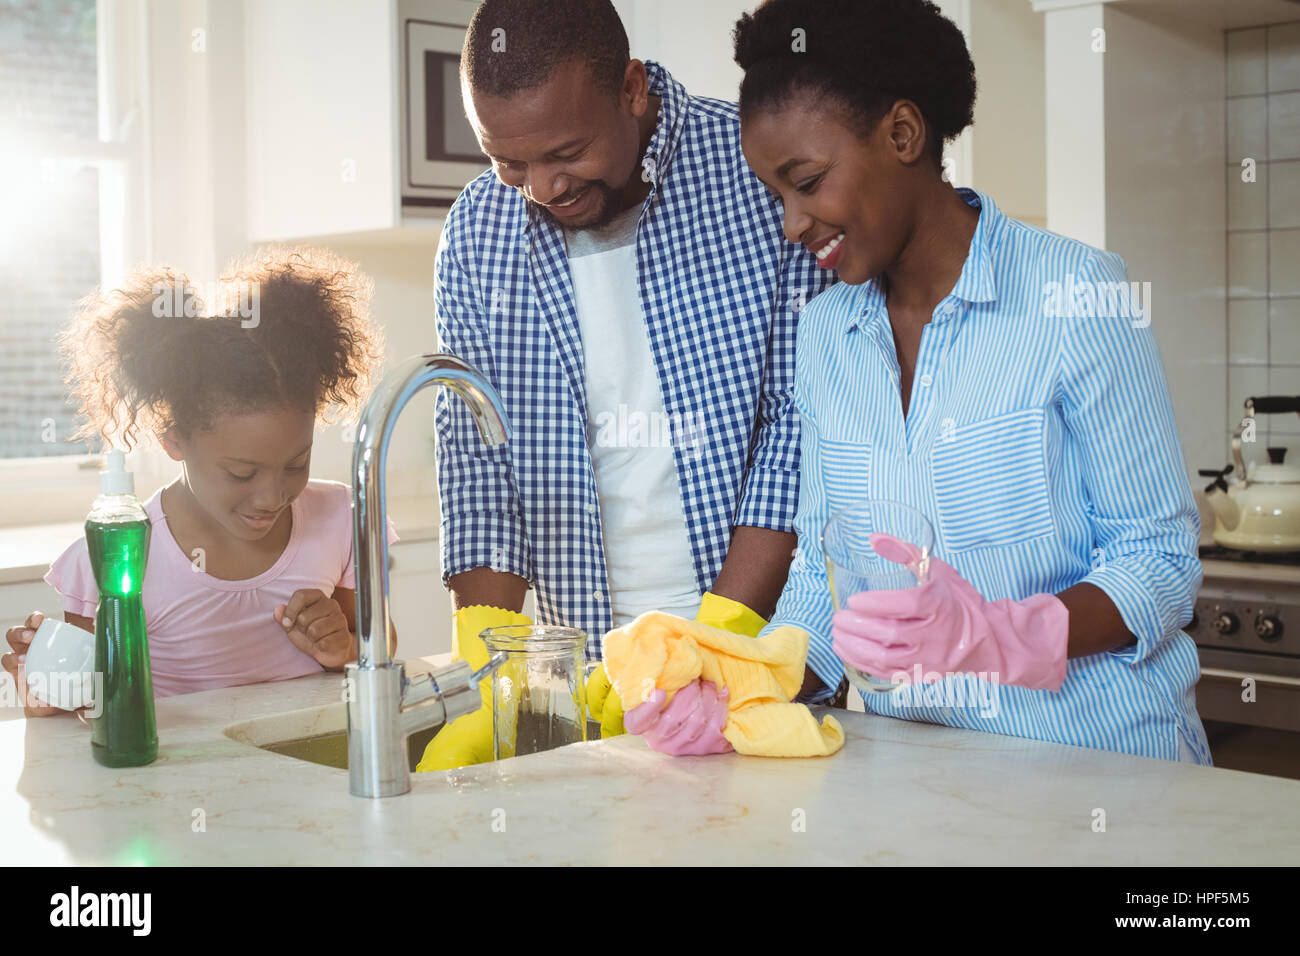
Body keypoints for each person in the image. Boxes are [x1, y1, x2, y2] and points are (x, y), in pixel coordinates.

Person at [624, 0, 1211, 765]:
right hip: (922, 779)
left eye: (807, 182)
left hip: (1104, 772)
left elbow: (1160, 562)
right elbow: (821, 582)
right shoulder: (827, 333)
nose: (792, 224)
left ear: (903, 134)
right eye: (776, 196)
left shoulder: (1077, 296)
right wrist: (741, 690)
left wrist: (1002, 636)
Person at [418, 0, 835, 770]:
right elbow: (476, 456)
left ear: (633, 88)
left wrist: (719, 639)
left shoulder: (753, 170)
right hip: (581, 689)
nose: (541, 186)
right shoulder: (479, 231)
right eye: (508, 162)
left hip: (758, 667)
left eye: (565, 152)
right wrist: (490, 673)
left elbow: (796, 424)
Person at [2, 248, 398, 717]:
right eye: (241, 473)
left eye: (296, 463)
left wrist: (343, 649)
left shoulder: (341, 519)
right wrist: (42, 689)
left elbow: (379, 645)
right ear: (174, 440)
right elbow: (81, 711)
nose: (273, 496)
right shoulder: (119, 552)